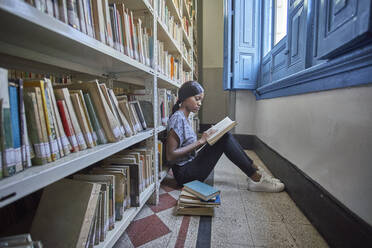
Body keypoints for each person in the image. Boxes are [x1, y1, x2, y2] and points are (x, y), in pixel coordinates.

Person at [165, 81, 285, 192]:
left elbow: (187, 148)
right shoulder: (177, 118)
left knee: (223, 135)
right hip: (185, 174)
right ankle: (257, 178)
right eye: (197, 99)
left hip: (190, 165)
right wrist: (201, 141)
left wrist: (211, 136)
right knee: (224, 138)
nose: (200, 103)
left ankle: (256, 171)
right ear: (185, 97)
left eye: (201, 100)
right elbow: (170, 156)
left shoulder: (185, 117)